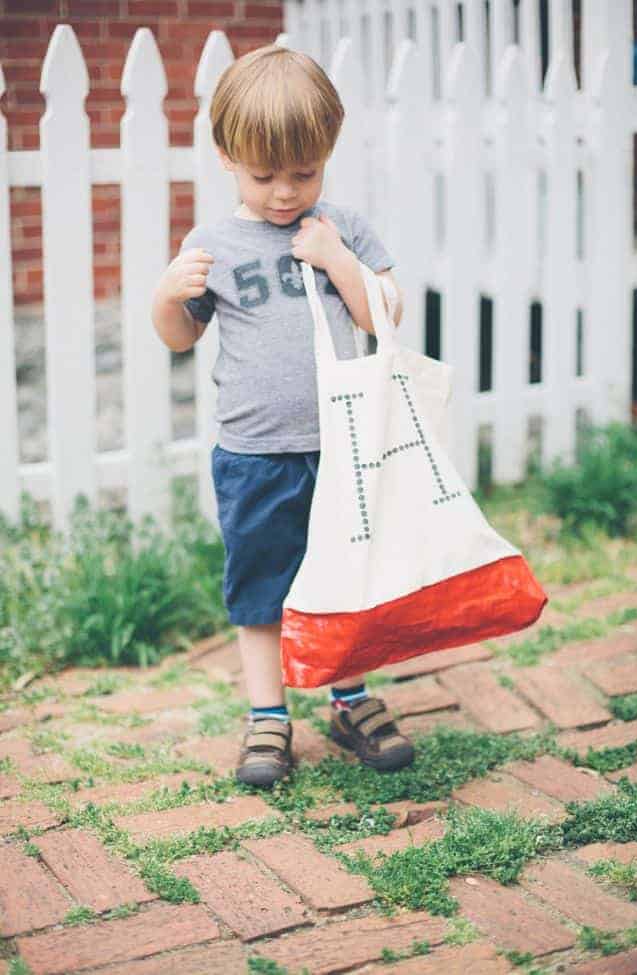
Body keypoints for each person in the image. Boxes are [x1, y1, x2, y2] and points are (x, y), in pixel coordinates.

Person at [151, 43, 415, 788]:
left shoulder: (342, 228)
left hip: (342, 444)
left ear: (326, 156)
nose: (284, 193)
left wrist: (338, 260)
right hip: (255, 453)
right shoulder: (213, 245)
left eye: (305, 173)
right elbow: (180, 337)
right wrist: (167, 294)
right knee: (261, 585)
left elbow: (386, 314)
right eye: (265, 175)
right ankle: (268, 714)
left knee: (345, 576)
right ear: (228, 156)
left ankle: (350, 696)